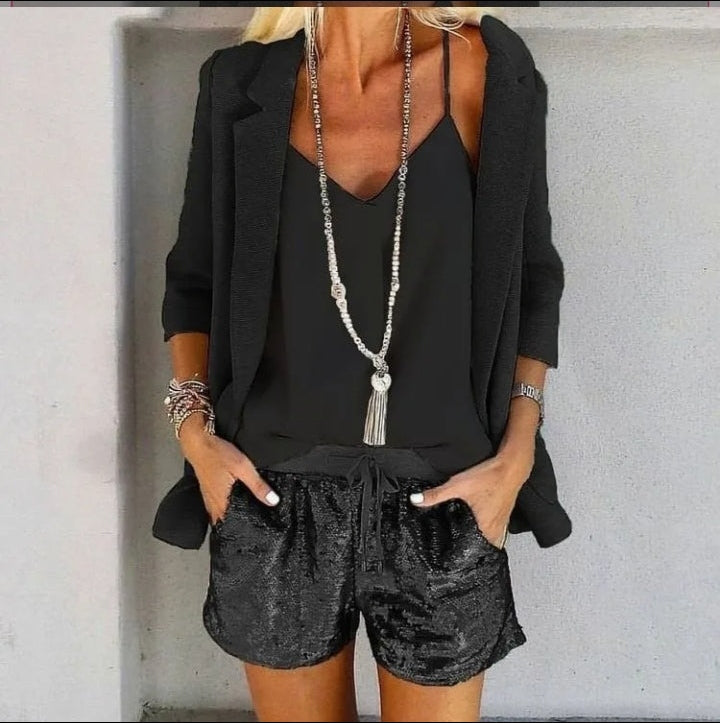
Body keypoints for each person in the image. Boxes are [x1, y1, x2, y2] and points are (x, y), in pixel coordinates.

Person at [155, 5, 571, 721]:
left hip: (446, 498)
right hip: (274, 499)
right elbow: (192, 281)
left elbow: (533, 277)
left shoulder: (487, 71)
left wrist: (517, 453)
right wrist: (195, 435)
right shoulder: (241, 83)